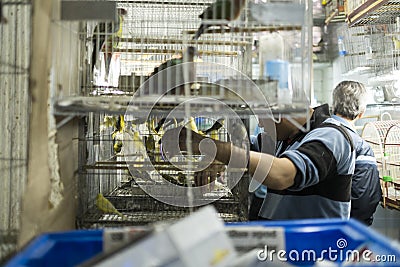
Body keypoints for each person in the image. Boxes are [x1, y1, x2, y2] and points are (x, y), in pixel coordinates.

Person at [161, 102, 356, 220]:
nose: (261, 124)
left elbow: (283, 174)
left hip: (314, 251)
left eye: (264, 117)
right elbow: (242, 147)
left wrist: (207, 145)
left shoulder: (331, 136)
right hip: (282, 246)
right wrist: (219, 157)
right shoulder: (282, 138)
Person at [331, 80, 382, 225]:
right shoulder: (360, 147)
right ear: (361, 112)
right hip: (343, 229)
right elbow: (364, 198)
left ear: (333, 106)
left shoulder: (315, 134)